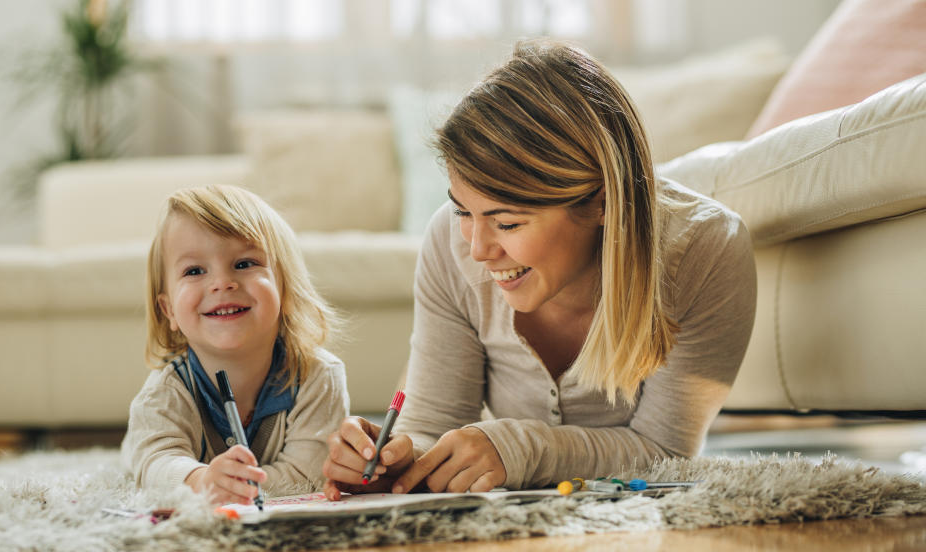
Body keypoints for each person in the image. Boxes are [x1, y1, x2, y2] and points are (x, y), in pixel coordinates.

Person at [322, 40, 756, 498]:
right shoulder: (450, 241)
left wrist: (524, 447)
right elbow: (433, 424)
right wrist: (400, 462)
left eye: (507, 222)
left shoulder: (707, 251)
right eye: (463, 211)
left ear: (604, 203)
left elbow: (668, 453)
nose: (477, 249)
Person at [122, 184, 349, 505]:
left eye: (244, 263)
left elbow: (309, 475)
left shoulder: (318, 377)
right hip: (143, 445)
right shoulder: (164, 392)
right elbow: (154, 467)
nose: (221, 283)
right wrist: (200, 480)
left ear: (286, 291)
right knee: (133, 452)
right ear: (169, 310)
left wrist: (230, 487)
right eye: (195, 270)